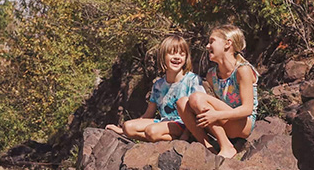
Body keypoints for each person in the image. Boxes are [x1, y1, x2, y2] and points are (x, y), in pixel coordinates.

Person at [176, 24, 259, 158]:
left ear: (228, 44)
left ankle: (226, 146)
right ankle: (208, 147)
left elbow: (247, 109)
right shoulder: (211, 75)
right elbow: (209, 106)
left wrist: (216, 116)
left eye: (212, 41)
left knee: (197, 98)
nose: (207, 46)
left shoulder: (243, 70)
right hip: (224, 120)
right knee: (182, 102)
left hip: (243, 124)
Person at [106, 35, 204, 142]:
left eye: (181, 54)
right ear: (163, 56)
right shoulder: (158, 85)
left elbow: (198, 112)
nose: (177, 57)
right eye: (172, 53)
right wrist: (123, 130)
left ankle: (179, 140)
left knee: (152, 131)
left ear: (186, 58)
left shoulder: (192, 80)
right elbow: (148, 114)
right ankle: (159, 137)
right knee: (128, 127)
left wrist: (186, 134)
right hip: (163, 123)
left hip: (183, 125)